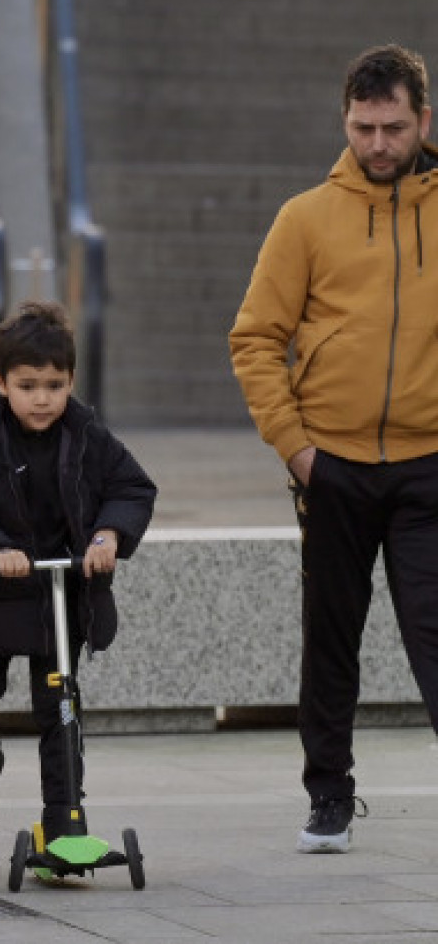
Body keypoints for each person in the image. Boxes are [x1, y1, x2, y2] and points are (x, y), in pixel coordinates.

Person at [230, 43, 438, 854]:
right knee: (330, 639)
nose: (378, 144)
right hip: (333, 467)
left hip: (429, 467)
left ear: (423, 120)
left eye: (393, 127)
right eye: (362, 127)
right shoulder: (304, 218)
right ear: (343, 121)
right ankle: (328, 797)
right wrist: (295, 447)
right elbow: (254, 338)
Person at [0, 301, 156, 844]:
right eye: (27, 385)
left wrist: (108, 535)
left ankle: (63, 822)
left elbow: (132, 488)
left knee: (58, 708)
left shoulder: (87, 436)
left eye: (54, 386)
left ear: (71, 381)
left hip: (59, 596)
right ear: (1, 383)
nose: (42, 398)